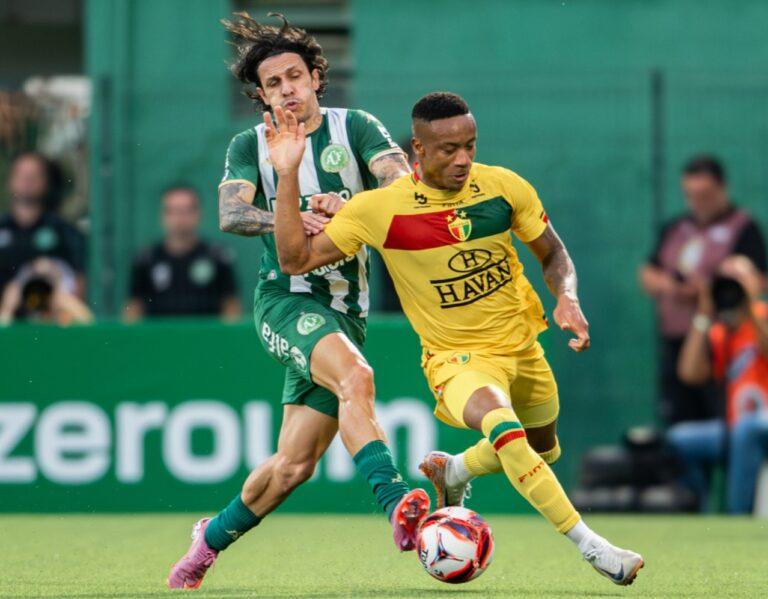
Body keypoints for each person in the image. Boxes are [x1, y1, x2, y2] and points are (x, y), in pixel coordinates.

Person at [266, 92, 644, 585]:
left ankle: (456, 470)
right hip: (457, 358)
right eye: (449, 150)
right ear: (418, 150)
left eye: (470, 146)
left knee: (542, 450)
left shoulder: (503, 187)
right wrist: (288, 176)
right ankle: (593, 547)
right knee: (505, 432)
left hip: (523, 347)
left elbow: (552, 253)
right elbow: (294, 260)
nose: (463, 159)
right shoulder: (378, 210)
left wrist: (567, 296)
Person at [167, 13, 423, 590]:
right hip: (285, 301)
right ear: (261, 94)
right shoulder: (249, 144)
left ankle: (208, 538)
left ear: (316, 79)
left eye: (295, 77)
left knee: (293, 467)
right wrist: (291, 216)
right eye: (273, 83)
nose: (286, 90)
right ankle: (397, 503)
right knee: (357, 378)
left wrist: (350, 208)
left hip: (347, 312)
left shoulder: (355, 126)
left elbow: (401, 185)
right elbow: (231, 213)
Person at [640, 155, 767, 426]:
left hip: (723, 343)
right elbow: (648, 273)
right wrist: (672, 286)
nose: (697, 202)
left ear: (722, 188)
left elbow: (758, 280)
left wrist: (716, 285)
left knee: (728, 422)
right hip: (679, 340)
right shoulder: (676, 228)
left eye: (705, 195)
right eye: (690, 195)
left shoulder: (743, 226)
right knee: (680, 429)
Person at [668, 255, 768, 513]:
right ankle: (699, 513)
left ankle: (738, 517)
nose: (732, 284)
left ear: (757, 281)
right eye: (726, 278)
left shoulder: (763, 317)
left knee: (746, 429)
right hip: (733, 428)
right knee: (680, 439)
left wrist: (751, 304)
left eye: (739, 277)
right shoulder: (721, 332)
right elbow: (690, 373)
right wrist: (703, 314)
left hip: (758, 424)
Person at [123, 185, 241, 321]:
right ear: (163, 215)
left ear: (198, 213)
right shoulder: (145, 259)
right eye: (174, 211)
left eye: (187, 211)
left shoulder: (218, 257)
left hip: (205, 334)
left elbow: (231, 307)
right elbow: (133, 308)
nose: (180, 218)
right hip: (159, 334)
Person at [0, 151, 85, 298]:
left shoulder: (63, 231)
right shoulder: (3, 226)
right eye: (21, 174)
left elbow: (78, 281)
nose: (27, 181)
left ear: (47, 182)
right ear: (10, 181)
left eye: (34, 176)